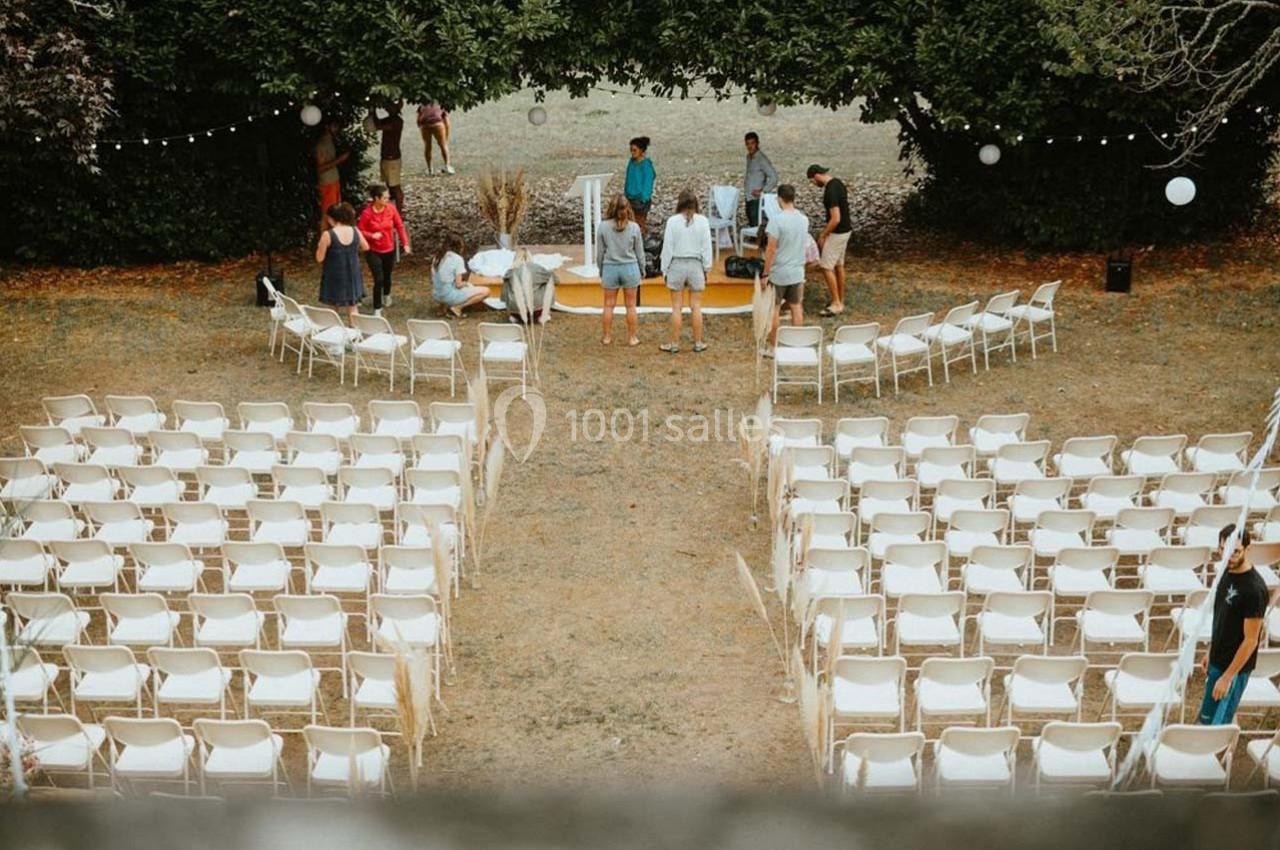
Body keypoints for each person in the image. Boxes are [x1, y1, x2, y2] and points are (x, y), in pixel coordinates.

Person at [1199, 525, 1268, 725]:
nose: (1229, 556)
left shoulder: (1254, 590)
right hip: (1218, 658)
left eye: (1236, 551)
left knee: (1216, 726)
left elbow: (1251, 640)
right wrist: (1211, 650)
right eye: (1224, 550)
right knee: (1207, 718)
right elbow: (1223, 616)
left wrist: (1227, 677)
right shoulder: (1225, 571)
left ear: (1248, 549)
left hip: (1233, 669)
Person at [658, 189, 713, 353]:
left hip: (677, 264)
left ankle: (674, 344)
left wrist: (664, 268)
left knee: (676, 307)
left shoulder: (672, 221)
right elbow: (707, 248)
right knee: (696, 306)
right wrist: (707, 268)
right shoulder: (703, 221)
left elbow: (667, 248)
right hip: (696, 264)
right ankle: (698, 342)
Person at [760, 184, 809, 353]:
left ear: (780, 199)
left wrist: (765, 273)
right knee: (796, 306)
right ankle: (797, 345)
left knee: (775, 309)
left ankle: (773, 346)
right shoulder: (804, 219)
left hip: (779, 272)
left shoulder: (776, 220)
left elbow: (771, 249)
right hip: (797, 270)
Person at [596, 194, 645, 346]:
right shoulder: (635, 228)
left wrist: (601, 268)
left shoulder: (603, 227)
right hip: (630, 268)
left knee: (608, 305)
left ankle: (606, 337)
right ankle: (632, 337)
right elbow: (640, 252)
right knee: (630, 305)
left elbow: (600, 253)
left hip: (610, 267)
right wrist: (642, 269)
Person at [357, 184, 411, 315]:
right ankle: (377, 308)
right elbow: (359, 230)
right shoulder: (367, 213)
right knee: (378, 278)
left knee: (387, 275)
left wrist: (405, 243)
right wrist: (371, 235)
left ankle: (387, 294)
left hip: (389, 248)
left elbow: (399, 226)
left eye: (388, 198)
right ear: (376, 198)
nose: (388, 200)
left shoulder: (391, 209)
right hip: (372, 250)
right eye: (385, 198)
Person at [806, 164, 853, 315]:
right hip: (846, 230)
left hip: (837, 232)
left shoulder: (830, 191)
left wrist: (823, 234)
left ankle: (836, 303)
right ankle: (840, 299)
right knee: (839, 265)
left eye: (812, 181)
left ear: (816, 176)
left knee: (826, 266)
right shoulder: (838, 183)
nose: (814, 184)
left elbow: (836, 218)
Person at [316, 202, 367, 322]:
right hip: (352, 273)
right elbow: (366, 247)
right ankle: (356, 335)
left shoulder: (328, 235)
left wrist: (319, 247)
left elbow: (319, 258)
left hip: (334, 275)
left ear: (331, 218)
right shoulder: (355, 230)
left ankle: (334, 335)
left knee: (333, 308)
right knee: (353, 307)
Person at [431, 233, 490, 318]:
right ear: (458, 246)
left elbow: (436, 278)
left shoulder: (437, 256)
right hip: (448, 295)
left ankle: (443, 307)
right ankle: (457, 308)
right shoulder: (457, 259)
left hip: (436, 294)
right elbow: (459, 285)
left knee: (445, 284)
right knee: (486, 291)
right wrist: (466, 284)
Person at [313, 120, 349, 233]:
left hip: (334, 180)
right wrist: (340, 160)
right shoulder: (321, 144)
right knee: (328, 212)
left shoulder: (330, 141)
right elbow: (320, 169)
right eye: (334, 126)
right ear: (327, 126)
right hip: (327, 183)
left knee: (336, 211)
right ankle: (324, 238)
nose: (337, 129)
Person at [370, 102, 406, 208]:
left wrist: (372, 110)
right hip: (387, 156)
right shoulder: (391, 119)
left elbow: (377, 126)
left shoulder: (396, 121)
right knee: (390, 185)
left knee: (395, 186)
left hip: (392, 157)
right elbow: (377, 123)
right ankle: (393, 210)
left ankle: (398, 212)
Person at [743, 131, 779, 227]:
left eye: (752, 143)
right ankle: (754, 239)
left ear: (757, 143)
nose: (750, 146)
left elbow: (774, 177)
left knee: (757, 222)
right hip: (748, 195)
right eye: (747, 144)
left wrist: (764, 191)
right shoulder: (749, 157)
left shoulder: (761, 159)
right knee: (750, 218)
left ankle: (759, 241)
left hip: (756, 197)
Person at [624, 136, 655, 234]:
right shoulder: (631, 162)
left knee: (639, 225)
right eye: (631, 150)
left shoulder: (646, 164)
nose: (632, 153)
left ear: (641, 150)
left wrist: (644, 198)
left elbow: (648, 182)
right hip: (630, 198)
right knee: (630, 225)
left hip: (640, 201)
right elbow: (628, 179)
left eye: (634, 150)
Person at [417, 102, 454, 175]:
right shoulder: (440, 103)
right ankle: (447, 166)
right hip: (438, 123)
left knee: (427, 146)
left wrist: (421, 126)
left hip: (425, 125)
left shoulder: (422, 104)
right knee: (443, 145)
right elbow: (446, 121)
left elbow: (418, 120)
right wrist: (446, 136)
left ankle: (430, 169)